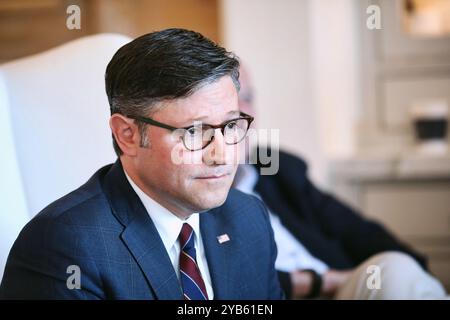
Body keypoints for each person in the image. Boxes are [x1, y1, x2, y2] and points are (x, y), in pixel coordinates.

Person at [0, 29, 284, 300]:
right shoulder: (65, 245)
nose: (222, 155)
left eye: (232, 125)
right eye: (195, 132)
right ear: (128, 135)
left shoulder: (248, 217)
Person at [234, 65, 447, 299]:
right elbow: (232, 279)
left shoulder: (274, 166)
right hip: (301, 292)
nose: (243, 112)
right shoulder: (203, 194)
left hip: (349, 289)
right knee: (393, 272)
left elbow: (357, 230)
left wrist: (416, 272)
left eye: (248, 98)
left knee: (398, 269)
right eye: (232, 98)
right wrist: (320, 282)